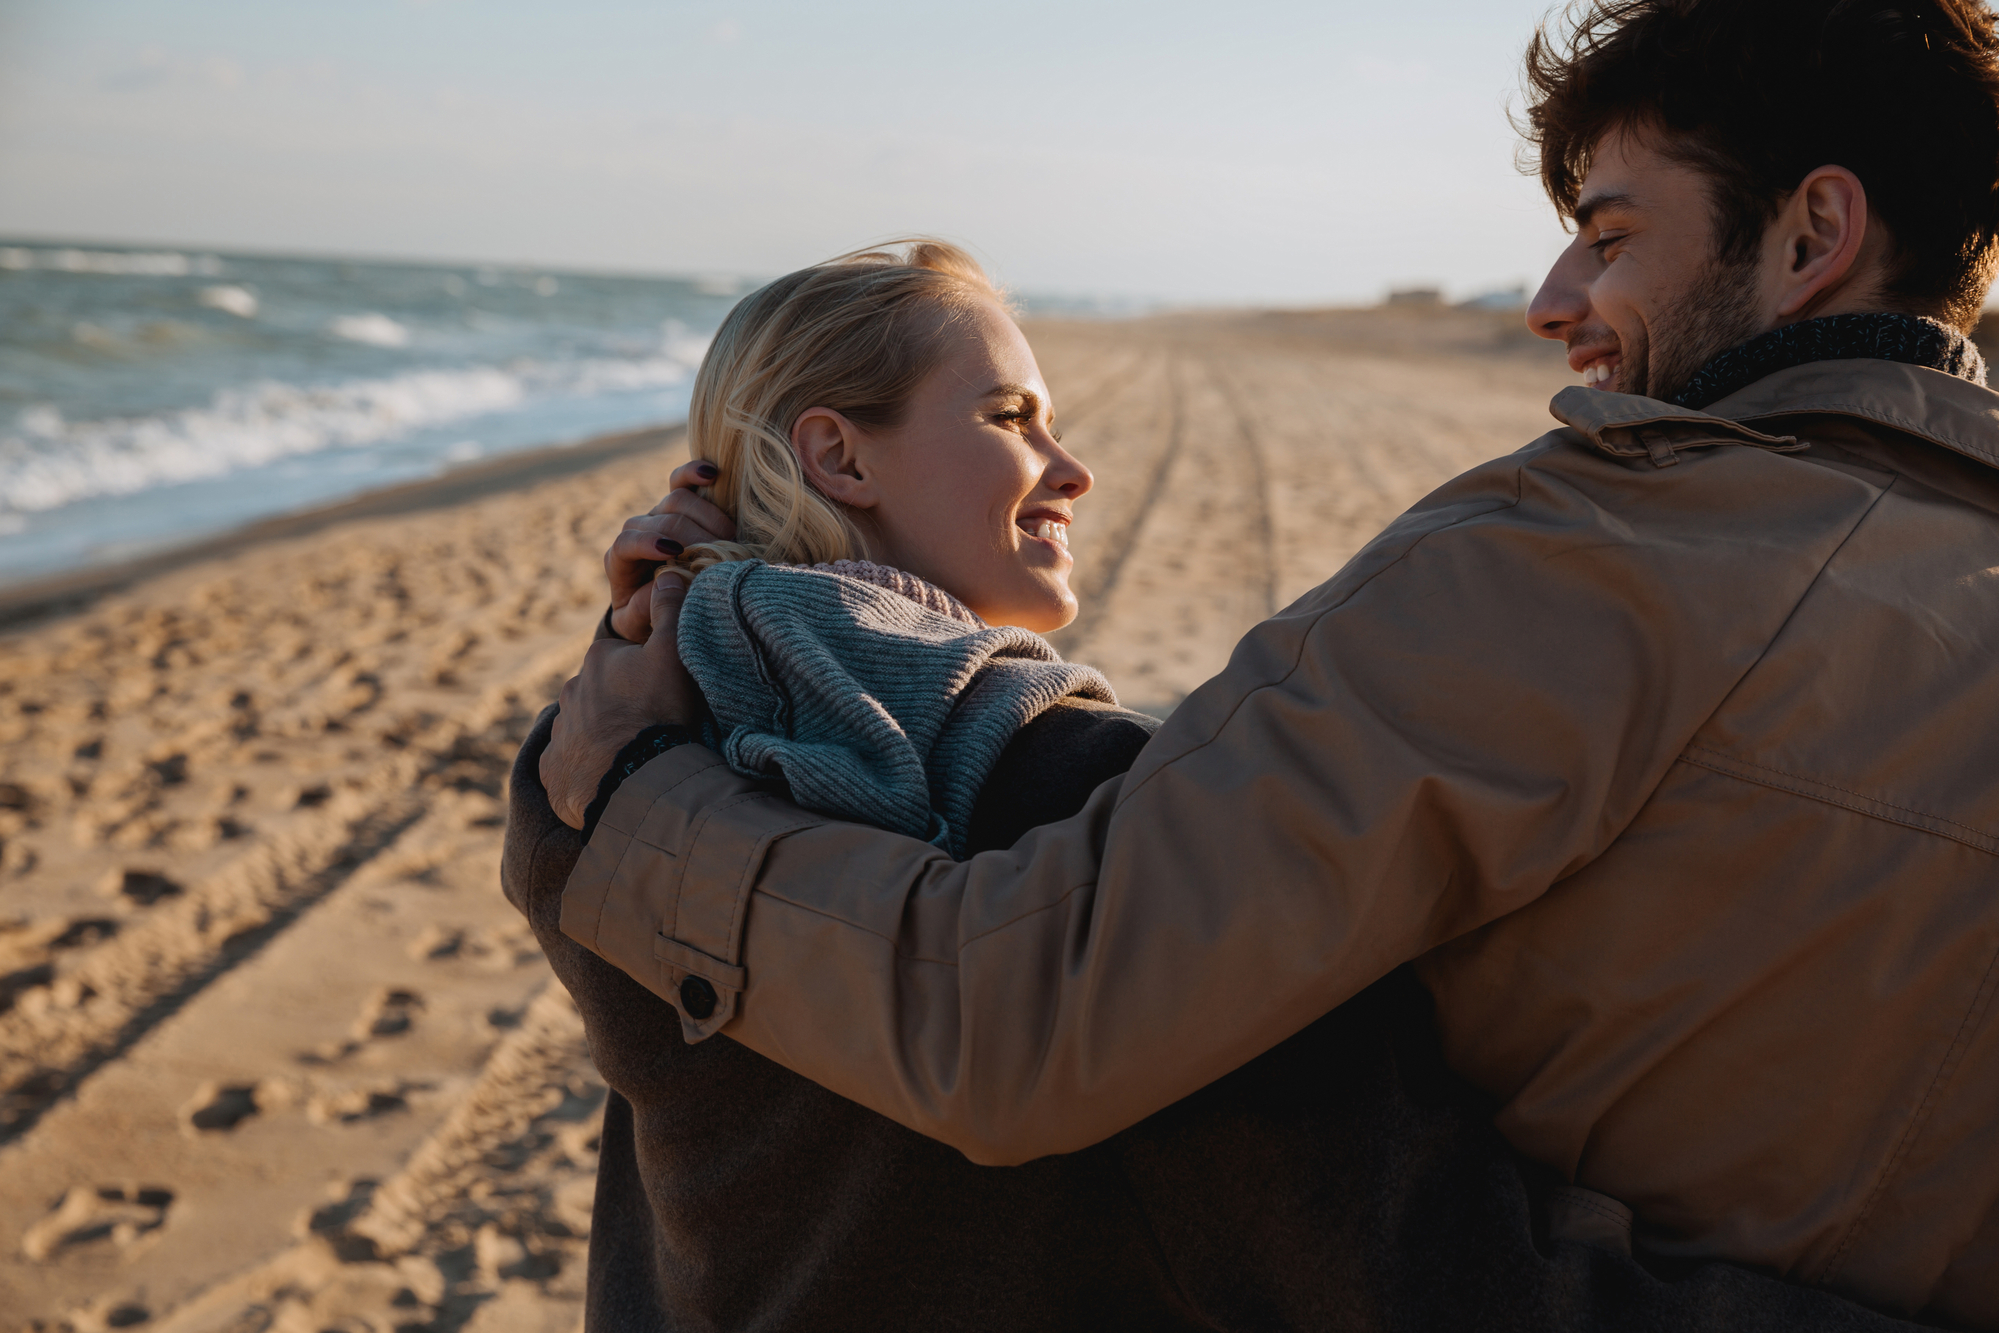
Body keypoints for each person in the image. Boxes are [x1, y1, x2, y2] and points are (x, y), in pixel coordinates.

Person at [540, 1, 1999, 1326]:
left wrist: (611, 814)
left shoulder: (1581, 555)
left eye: (1609, 236)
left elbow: (1044, 1000)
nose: (1554, 298)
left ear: (1813, 234)